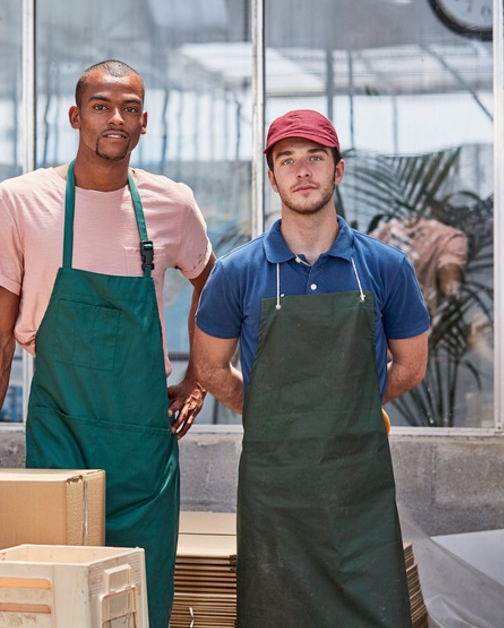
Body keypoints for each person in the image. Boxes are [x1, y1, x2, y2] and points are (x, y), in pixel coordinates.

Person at [0, 59, 215, 628]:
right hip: (59, 434)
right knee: (63, 602)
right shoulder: (20, 201)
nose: (116, 118)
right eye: (101, 106)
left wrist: (198, 378)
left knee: (140, 604)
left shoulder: (173, 205)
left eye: (130, 109)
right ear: (74, 116)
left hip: (144, 445)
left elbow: (212, 286)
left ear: (144, 124)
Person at [192, 109, 430, 627]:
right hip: (275, 491)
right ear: (272, 176)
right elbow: (210, 370)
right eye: (287, 159)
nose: (302, 171)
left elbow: (410, 367)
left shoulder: (386, 268)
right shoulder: (237, 273)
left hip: (358, 488)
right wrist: (269, 408)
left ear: (337, 171)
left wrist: (347, 404)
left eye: (315, 158)